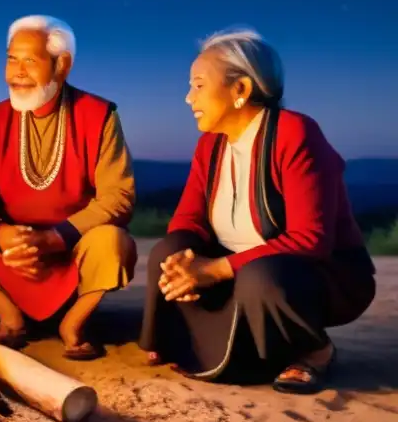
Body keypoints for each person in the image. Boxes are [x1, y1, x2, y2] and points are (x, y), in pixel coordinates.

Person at [139, 29, 376, 393]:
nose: (188, 98)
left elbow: (310, 239)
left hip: (315, 276)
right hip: (243, 270)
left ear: (241, 90)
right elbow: (189, 217)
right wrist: (184, 263)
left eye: (199, 85)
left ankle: (315, 352)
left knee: (260, 274)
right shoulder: (210, 145)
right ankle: (184, 341)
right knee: (168, 249)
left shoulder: (295, 133)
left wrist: (216, 269)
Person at [0, 15, 138, 359]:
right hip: (11, 252)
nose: (17, 71)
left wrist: (55, 238)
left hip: (69, 250)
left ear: (62, 65)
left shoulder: (99, 114)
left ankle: (73, 325)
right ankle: (10, 318)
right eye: (11, 59)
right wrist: (1, 233)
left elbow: (118, 196)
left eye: (30, 60)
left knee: (113, 242)